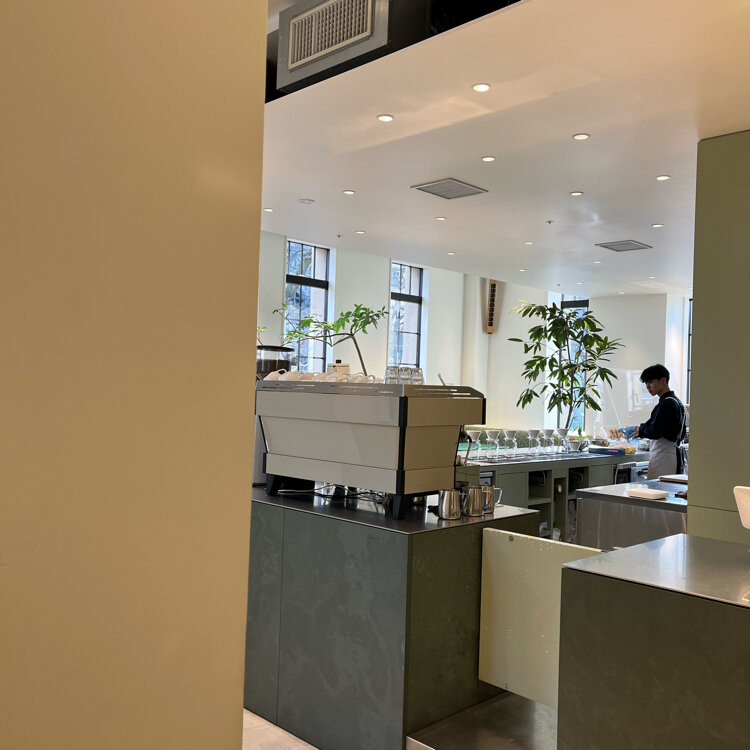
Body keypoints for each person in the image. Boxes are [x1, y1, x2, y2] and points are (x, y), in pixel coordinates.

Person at [636, 364, 687, 479]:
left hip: (664, 457)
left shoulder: (667, 403)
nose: (648, 386)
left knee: (660, 487)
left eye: (651, 382)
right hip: (671, 455)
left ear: (663, 380)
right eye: (646, 383)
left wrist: (639, 430)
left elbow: (655, 431)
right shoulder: (676, 401)